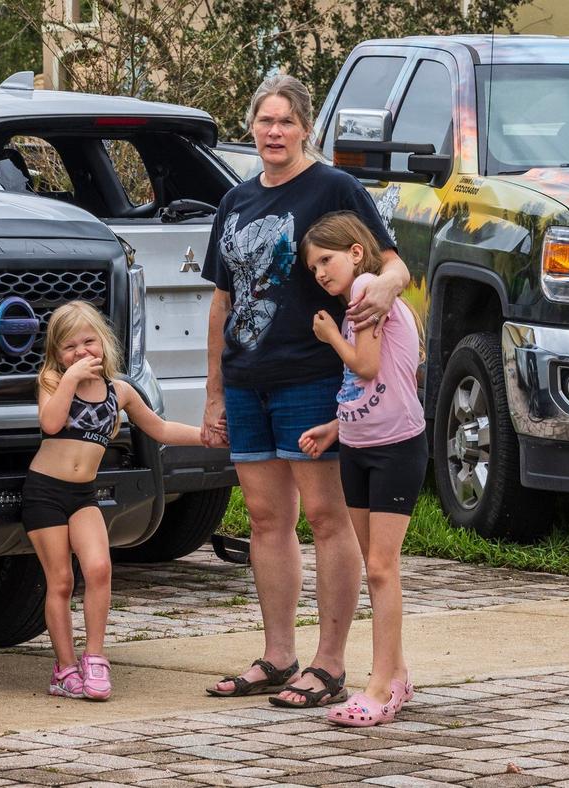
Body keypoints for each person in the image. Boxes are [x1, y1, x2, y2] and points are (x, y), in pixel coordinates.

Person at [202, 74, 410, 708]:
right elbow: (223, 297)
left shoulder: (334, 188)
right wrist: (214, 391)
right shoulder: (235, 201)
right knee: (267, 520)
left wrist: (385, 289)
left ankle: (329, 662)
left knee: (326, 518)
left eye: (285, 122)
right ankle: (278, 655)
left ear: (305, 127)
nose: (273, 132)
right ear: (252, 127)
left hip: (313, 377)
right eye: (264, 121)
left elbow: (392, 261)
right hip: (247, 379)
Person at [27, 300, 204, 701]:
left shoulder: (119, 390)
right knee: (61, 580)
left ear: (104, 343)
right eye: (69, 347)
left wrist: (207, 436)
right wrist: (69, 378)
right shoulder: (52, 382)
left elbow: (159, 428)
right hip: (45, 493)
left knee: (100, 568)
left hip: (82, 495)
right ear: (57, 354)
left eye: (89, 342)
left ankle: (95, 657)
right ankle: (64, 668)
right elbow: (51, 423)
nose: (81, 352)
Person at [297, 211, 427, 726]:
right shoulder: (358, 302)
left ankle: (378, 686)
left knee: (380, 567)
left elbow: (366, 365)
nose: (321, 274)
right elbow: (372, 385)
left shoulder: (368, 289)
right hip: (357, 443)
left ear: (355, 252)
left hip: (394, 447)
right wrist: (336, 425)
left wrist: (330, 335)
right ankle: (396, 675)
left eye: (325, 261)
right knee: (375, 567)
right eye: (312, 270)